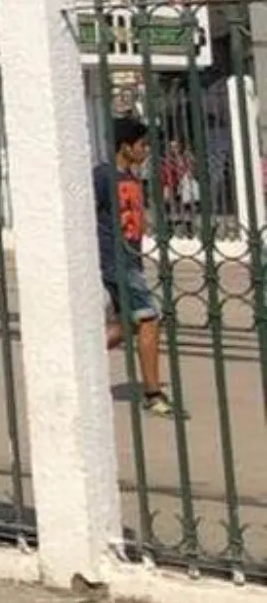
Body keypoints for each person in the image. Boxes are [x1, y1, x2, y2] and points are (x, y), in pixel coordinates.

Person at [96, 116, 178, 419]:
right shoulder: (103, 177)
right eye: (142, 145)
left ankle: (73, 361)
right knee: (149, 318)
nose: (146, 151)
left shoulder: (131, 178)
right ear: (125, 146)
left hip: (131, 260)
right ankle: (153, 393)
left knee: (128, 325)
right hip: (116, 261)